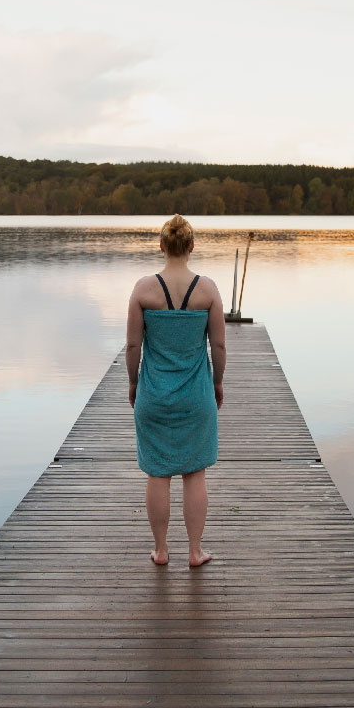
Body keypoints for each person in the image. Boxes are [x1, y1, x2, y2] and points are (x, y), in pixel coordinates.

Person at [126, 214, 226, 568]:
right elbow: (219, 347)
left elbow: (133, 346)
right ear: (192, 246)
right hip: (196, 397)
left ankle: (162, 550)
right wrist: (217, 384)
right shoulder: (208, 289)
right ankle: (195, 551)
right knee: (194, 472)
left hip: (154, 396)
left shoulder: (143, 289)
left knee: (158, 472)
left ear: (162, 246)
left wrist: (134, 383)